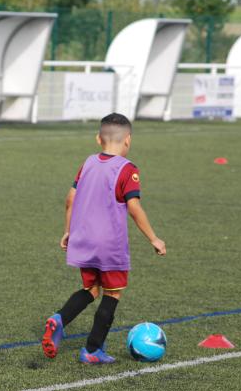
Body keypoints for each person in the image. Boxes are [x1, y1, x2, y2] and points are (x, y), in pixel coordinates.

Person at [41, 113, 166, 364]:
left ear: (99, 138)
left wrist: (68, 231)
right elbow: (133, 206)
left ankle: (60, 319)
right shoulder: (127, 169)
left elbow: (70, 200)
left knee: (91, 289)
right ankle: (92, 350)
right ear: (128, 140)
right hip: (109, 245)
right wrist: (153, 238)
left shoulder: (87, 163)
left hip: (83, 238)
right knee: (112, 294)